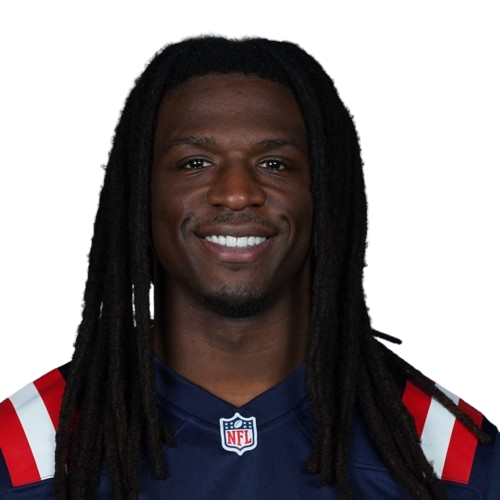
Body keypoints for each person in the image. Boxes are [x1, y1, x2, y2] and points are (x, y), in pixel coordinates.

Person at [0, 34, 498, 500]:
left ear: (325, 193)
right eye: (195, 163)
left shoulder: (445, 451)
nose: (237, 193)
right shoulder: (26, 447)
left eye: (275, 164)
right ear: (140, 196)